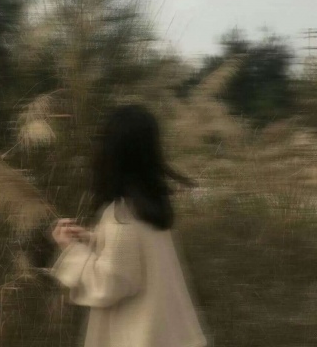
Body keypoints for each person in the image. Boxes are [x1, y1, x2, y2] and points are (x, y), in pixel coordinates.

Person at [50, 104, 208, 347]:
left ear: (111, 153)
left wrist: (71, 249)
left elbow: (109, 284)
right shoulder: (150, 207)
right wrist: (92, 239)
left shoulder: (121, 217)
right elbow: (136, 259)